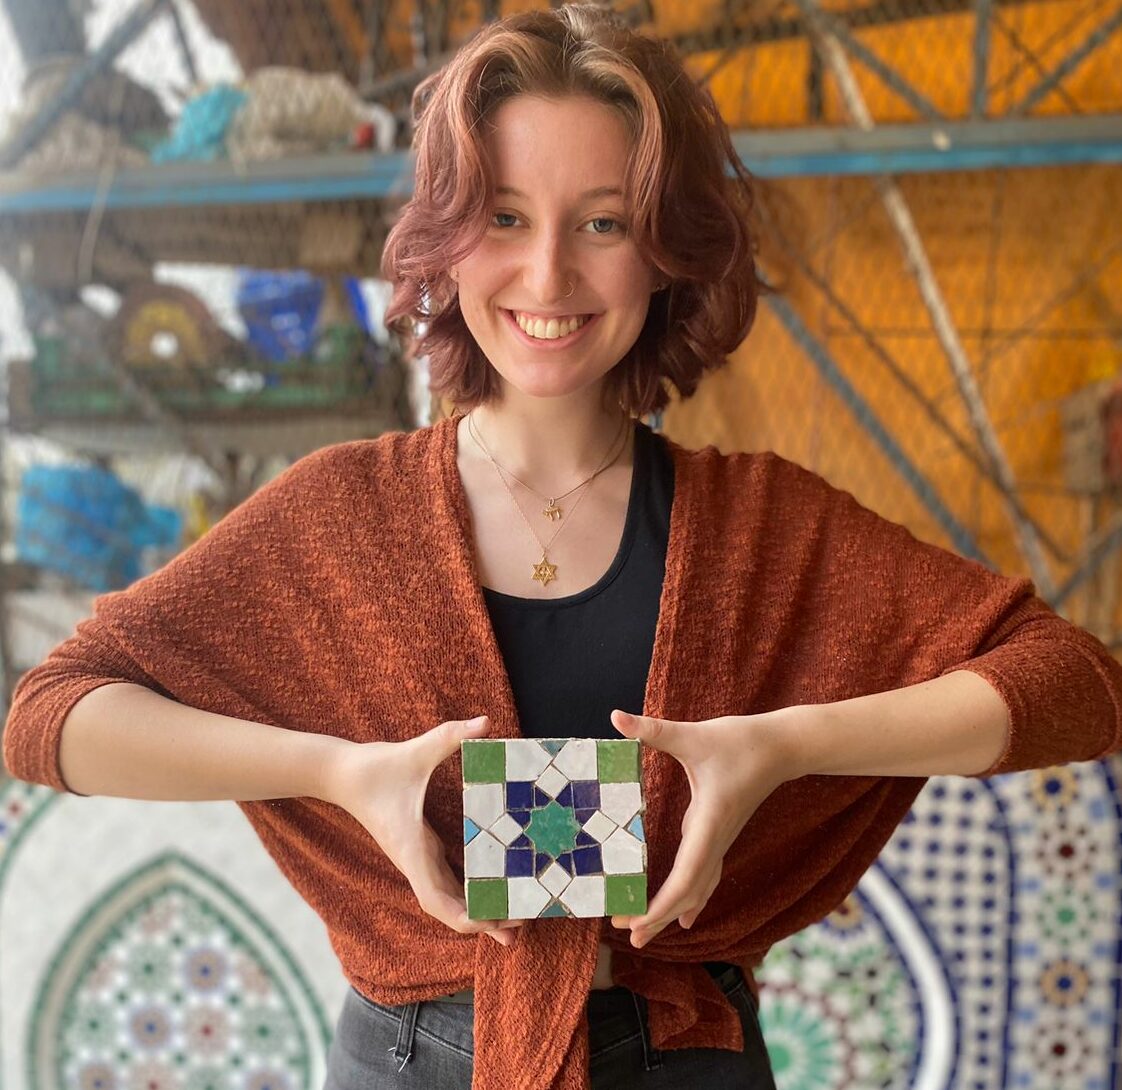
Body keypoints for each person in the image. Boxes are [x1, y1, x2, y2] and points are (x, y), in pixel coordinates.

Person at [3, 4, 1121, 1089]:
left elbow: (1074, 683)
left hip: (689, 1051)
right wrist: (335, 771)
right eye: (502, 215)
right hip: (411, 1058)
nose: (548, 279)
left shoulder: (759, 526)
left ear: (665, 253)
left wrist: (782, 742)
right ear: (443, 238)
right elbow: (50, 715)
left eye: (602, 221)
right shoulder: (340, 513)